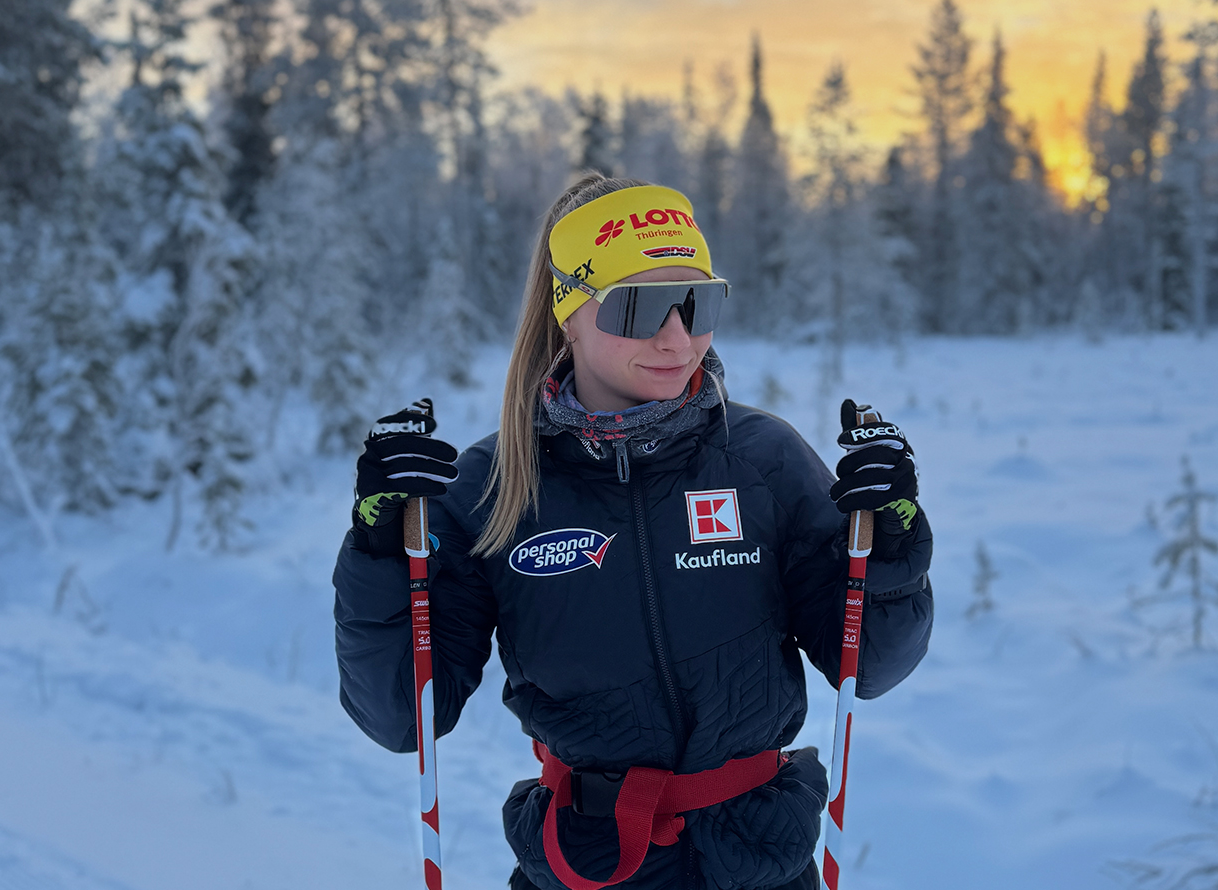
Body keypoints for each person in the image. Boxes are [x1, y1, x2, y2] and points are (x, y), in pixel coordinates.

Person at [333, 174, 934, 890]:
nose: (677, 337)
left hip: (757, 861)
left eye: (697, 302)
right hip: (585, 862)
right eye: (641, 305)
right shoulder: (494, 487)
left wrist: (892, 541)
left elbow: (865, 665)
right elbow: (405, 716)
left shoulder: (761, 459)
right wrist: (378, 545)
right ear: (570, 313)